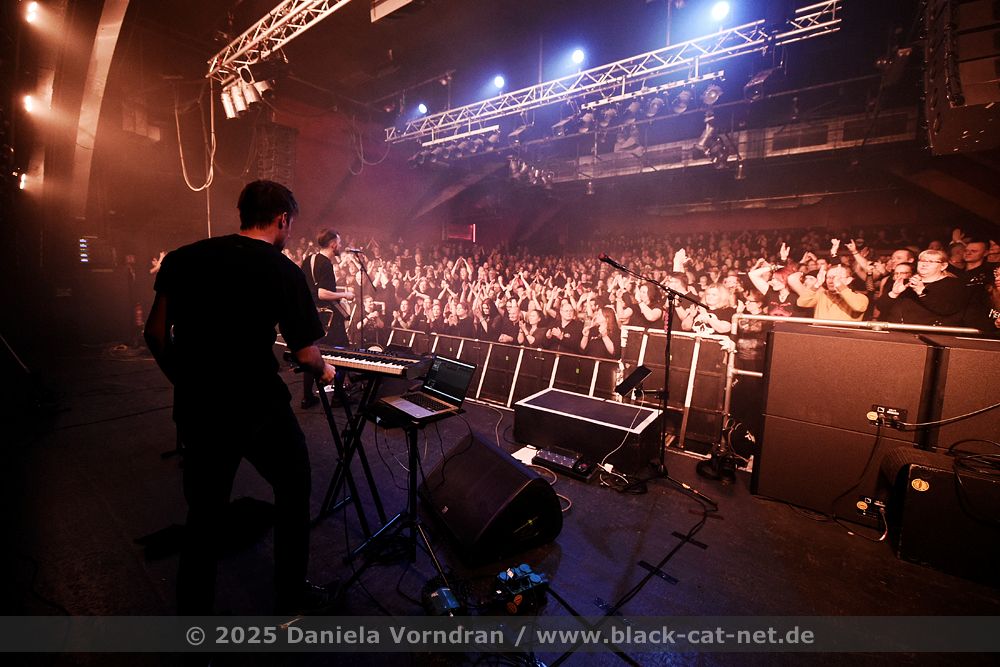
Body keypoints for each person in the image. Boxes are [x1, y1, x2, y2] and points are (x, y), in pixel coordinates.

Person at [144, 180, 336, 615]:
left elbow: (154, 333)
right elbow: (305, 354)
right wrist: (326, 370)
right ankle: (290, 595)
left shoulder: (183, 258)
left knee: (203, 515)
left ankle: (193, 626)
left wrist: (185, 379)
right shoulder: (283, 270)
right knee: (294, 487)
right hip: (258, 407)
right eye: (290, 224)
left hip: (199, 408)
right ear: (282, 219)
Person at [300, 228, 355, 408]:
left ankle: (307, 397)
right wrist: (345, 294)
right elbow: (322, 293)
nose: (340, 245)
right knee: (342, 352)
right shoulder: (326, 264)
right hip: (328, 319)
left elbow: (310, 289)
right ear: (332, 244)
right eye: (339, 242)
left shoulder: (309, 259)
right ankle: (338, 396)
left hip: (311, 314)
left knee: (312, 352)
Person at [875, 248, 968, 326]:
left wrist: (922, 292)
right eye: (922, 261)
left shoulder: (953, 284)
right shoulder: (905, 282)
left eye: (931, 261)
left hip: (929, 335)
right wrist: (893, 294)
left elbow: (947, 309)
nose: (924, 264)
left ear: (943, 266)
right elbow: (881, 307)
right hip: (897, 332)